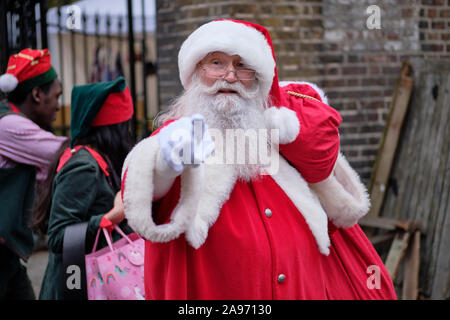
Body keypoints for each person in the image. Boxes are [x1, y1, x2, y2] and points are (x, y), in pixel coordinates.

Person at [121, 19, 397, 299]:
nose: (229, 76)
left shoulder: (278, 139)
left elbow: (322, 159)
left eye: (242, 66)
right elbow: (141, 183)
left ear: (258, 79)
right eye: (216, 62)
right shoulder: (179, 136)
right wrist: (166, 165)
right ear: (195, 72)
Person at [35, 77, 134, 300]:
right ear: (112, 131)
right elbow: (58, 236)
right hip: (75, 287)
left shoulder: (100, 161)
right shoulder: (82, 167)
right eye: (124, 127)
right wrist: (111, 217)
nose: (128, 134)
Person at [0, 48, 67, 300]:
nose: (59, 107)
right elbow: (66, 153)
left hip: (7, 254)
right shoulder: (9, 126)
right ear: (37, 94)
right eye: (57, 97)